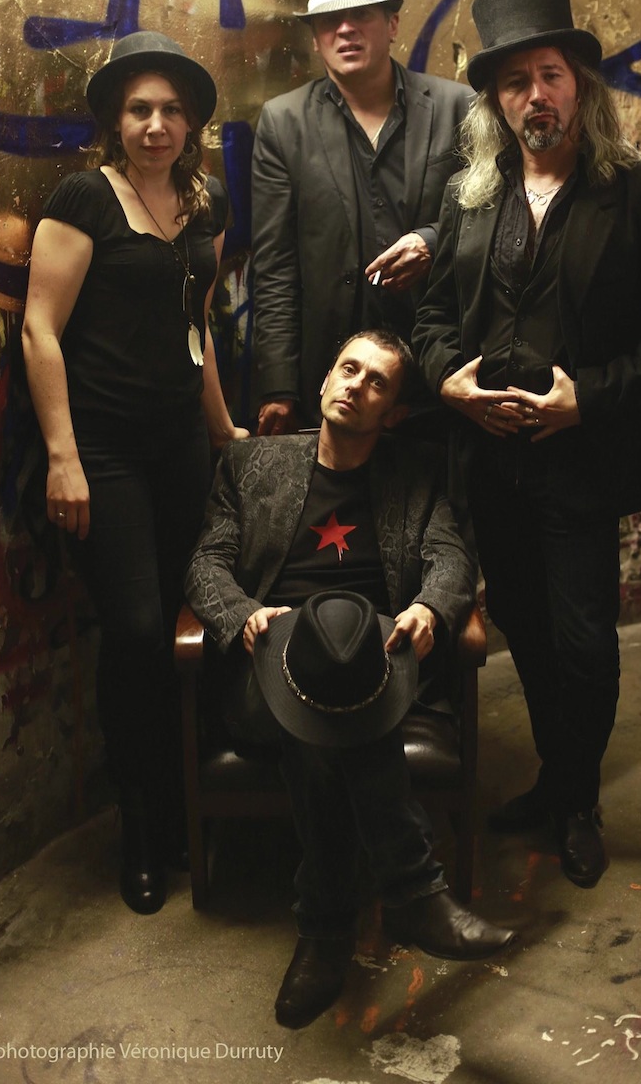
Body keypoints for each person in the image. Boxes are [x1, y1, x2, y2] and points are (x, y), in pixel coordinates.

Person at [413, 0, 641, 888]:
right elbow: (433, 317)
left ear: (580, 84)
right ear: (496, 103)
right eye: (516, 83)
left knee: (583, 639)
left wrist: (589, 398)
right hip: (489, 459)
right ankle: (556, 776)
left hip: (581, 458)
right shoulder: (468, 196)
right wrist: (448, 381)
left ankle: (578, 799)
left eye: (550, 75)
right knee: (526, 629)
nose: (535, 96)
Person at [186, 330, 515, 1028]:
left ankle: (325, 932)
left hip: (375, 663)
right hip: (266, 667)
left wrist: (431, 608)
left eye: (376, 382)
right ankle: (413, 892)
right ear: (325, 379)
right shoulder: (252, 463)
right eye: (348, 369)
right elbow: (206, 562)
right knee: (323, 705)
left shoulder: (416, 471)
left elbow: (452, 559)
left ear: (393, 413)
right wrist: (242, 615)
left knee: (334, 698)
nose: (355, 385)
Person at [21, 31, 247, 916]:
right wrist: (64, 457)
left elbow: (200, 327)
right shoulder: (85, 197)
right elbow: (40, 330)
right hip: (104, 453)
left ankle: (195, 807)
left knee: (197, 622)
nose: (157, 125)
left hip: (179, 446)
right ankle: (143, 829)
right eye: (140, 110)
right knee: (139, 633)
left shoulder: (205, 204)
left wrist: (223, 432)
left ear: (191, 124)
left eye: (172, 111)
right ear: (116, 122)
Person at [251, 0, 472, 433]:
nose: (345, 29)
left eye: (361, 15)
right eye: (330, 20)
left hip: (438, 370)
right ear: (316, 37)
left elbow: (495, 219)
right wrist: (279, 386)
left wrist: (433, 242)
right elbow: (274, 265)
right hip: (332, 378)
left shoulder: (458, 108)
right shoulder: (283, 123)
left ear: (392, 25)